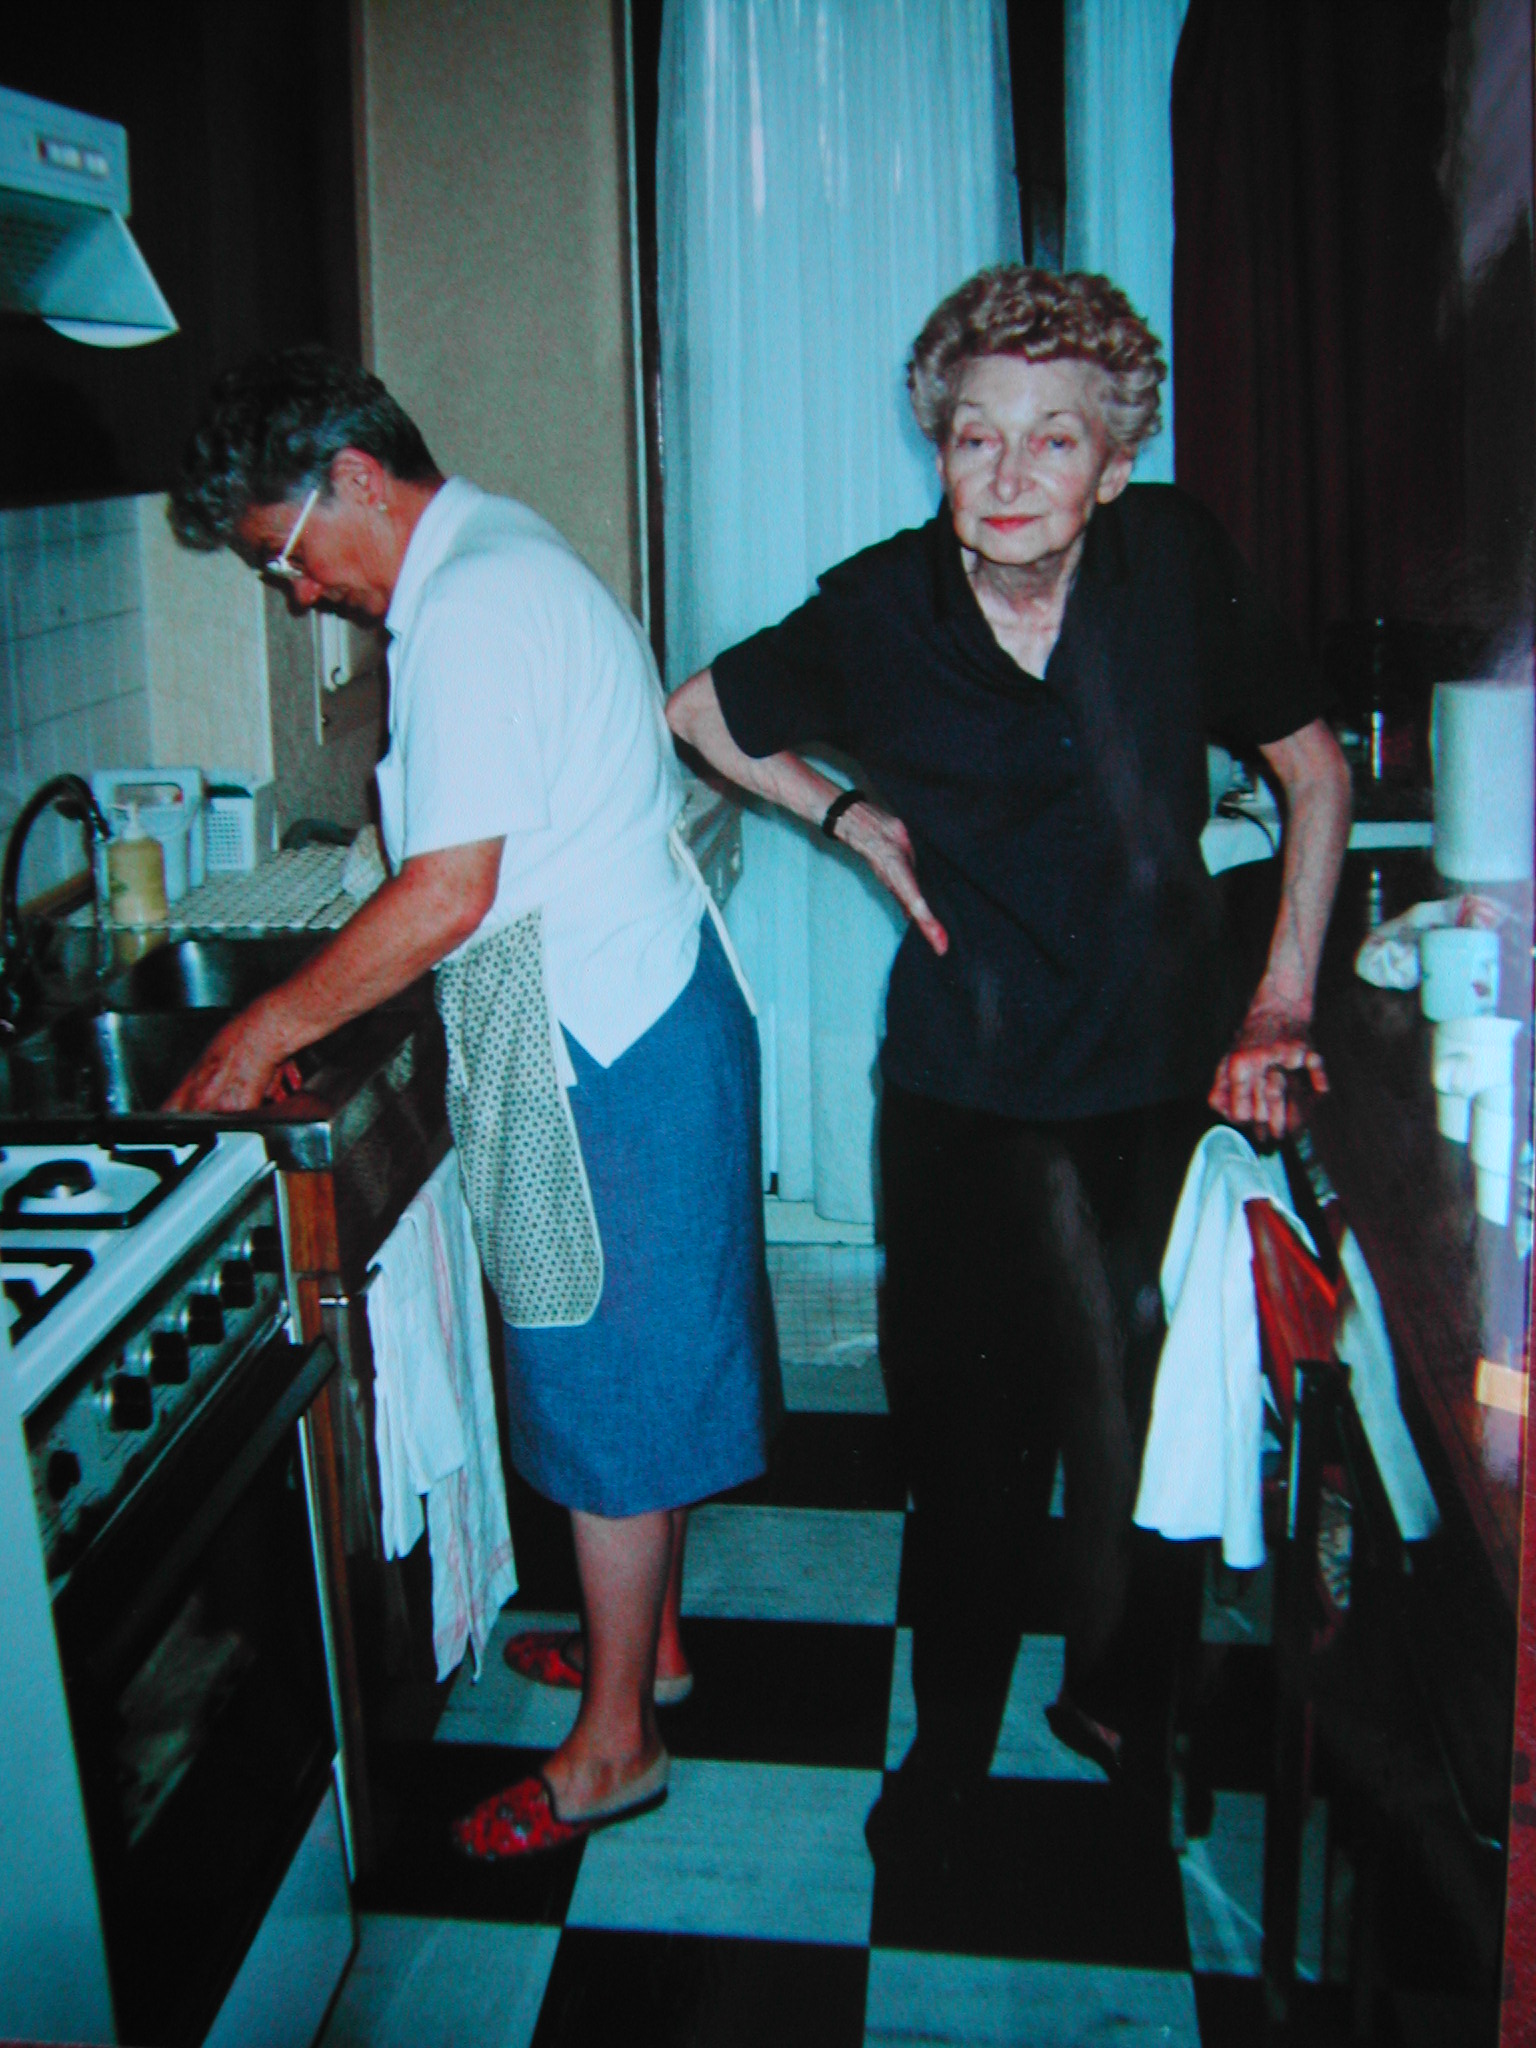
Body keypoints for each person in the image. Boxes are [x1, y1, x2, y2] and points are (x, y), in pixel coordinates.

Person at [666, 266, 1350, 1854]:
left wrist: (1282, 999)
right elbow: (703, 712)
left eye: (1056, 440)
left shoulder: (1174, 566)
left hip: (1155, 1078)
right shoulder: (883, 608)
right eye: (978, 437)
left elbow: (1312, 772)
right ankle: (952, 1746)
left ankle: (1120, 1701)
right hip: (962, 1098)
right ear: (940, 451)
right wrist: (847, 817)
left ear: (1113, 466)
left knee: (1140, 1427)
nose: (1013, 473)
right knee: (967, 1448)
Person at [167, 345, 780, 1858]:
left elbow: (450, 891)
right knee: (635, 1373)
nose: (296, 593)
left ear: (355, 479)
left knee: (606, 1390)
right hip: (621, 1020)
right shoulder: (499, 555)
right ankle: (653, 1652)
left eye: (284, 554)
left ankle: (618, 1747)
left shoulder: (474, 608)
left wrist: (263, 1026)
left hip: (596, 1048)